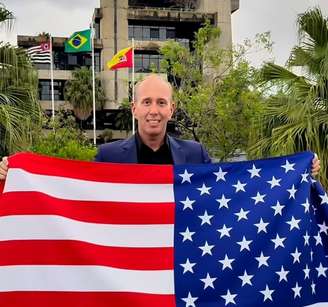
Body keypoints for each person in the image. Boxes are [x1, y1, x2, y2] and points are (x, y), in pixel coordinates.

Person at [0, 74, 321, 177]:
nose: (154, 110)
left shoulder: (196, 154)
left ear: (172, 109)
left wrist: (297, 172)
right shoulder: (108, 156)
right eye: (147, 102)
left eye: (162, 103)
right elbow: (73, 189)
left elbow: (232, 188)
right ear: (134, 108)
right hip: (127, 266)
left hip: (182, 265)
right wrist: (17, 172)